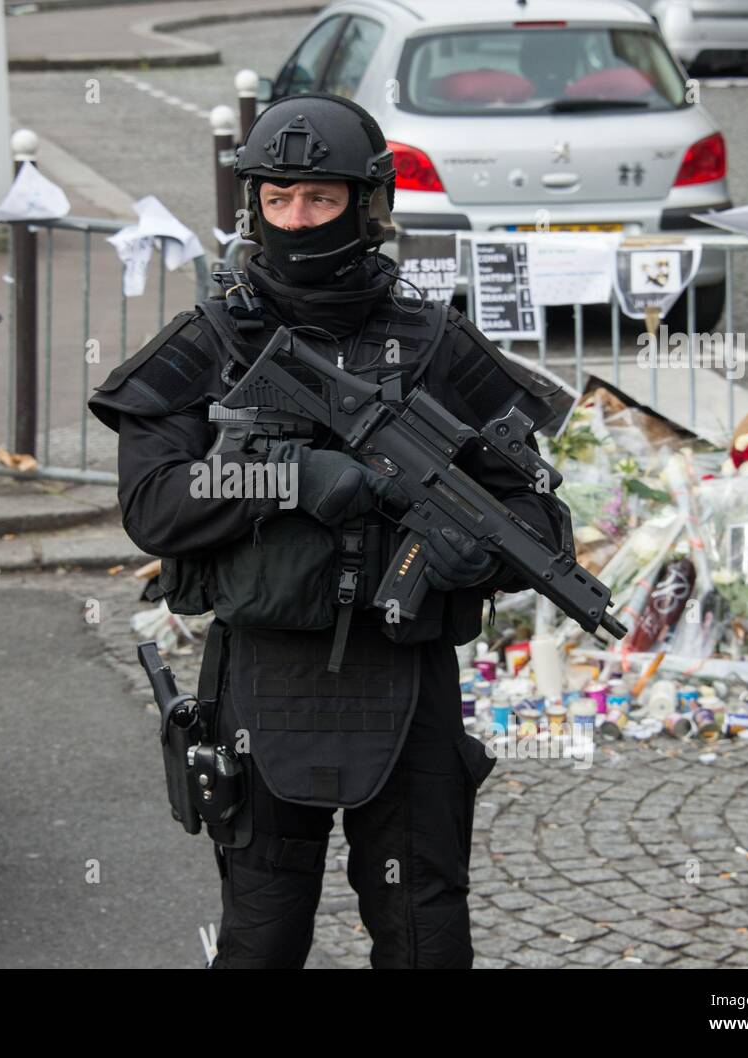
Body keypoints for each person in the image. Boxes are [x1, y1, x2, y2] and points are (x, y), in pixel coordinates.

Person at [89, 93, 573, 968]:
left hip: (405, 678)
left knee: (425, 933)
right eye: (278, 199)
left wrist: (480, 558)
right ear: (253, 205)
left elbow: (538, 510)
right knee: (264, 933)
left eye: (320, 198)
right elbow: (153, 504)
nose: (297, 219)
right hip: (265, 678)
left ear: (367, 203)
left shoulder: (432, 342)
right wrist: (289, 479)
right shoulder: (213, 339)